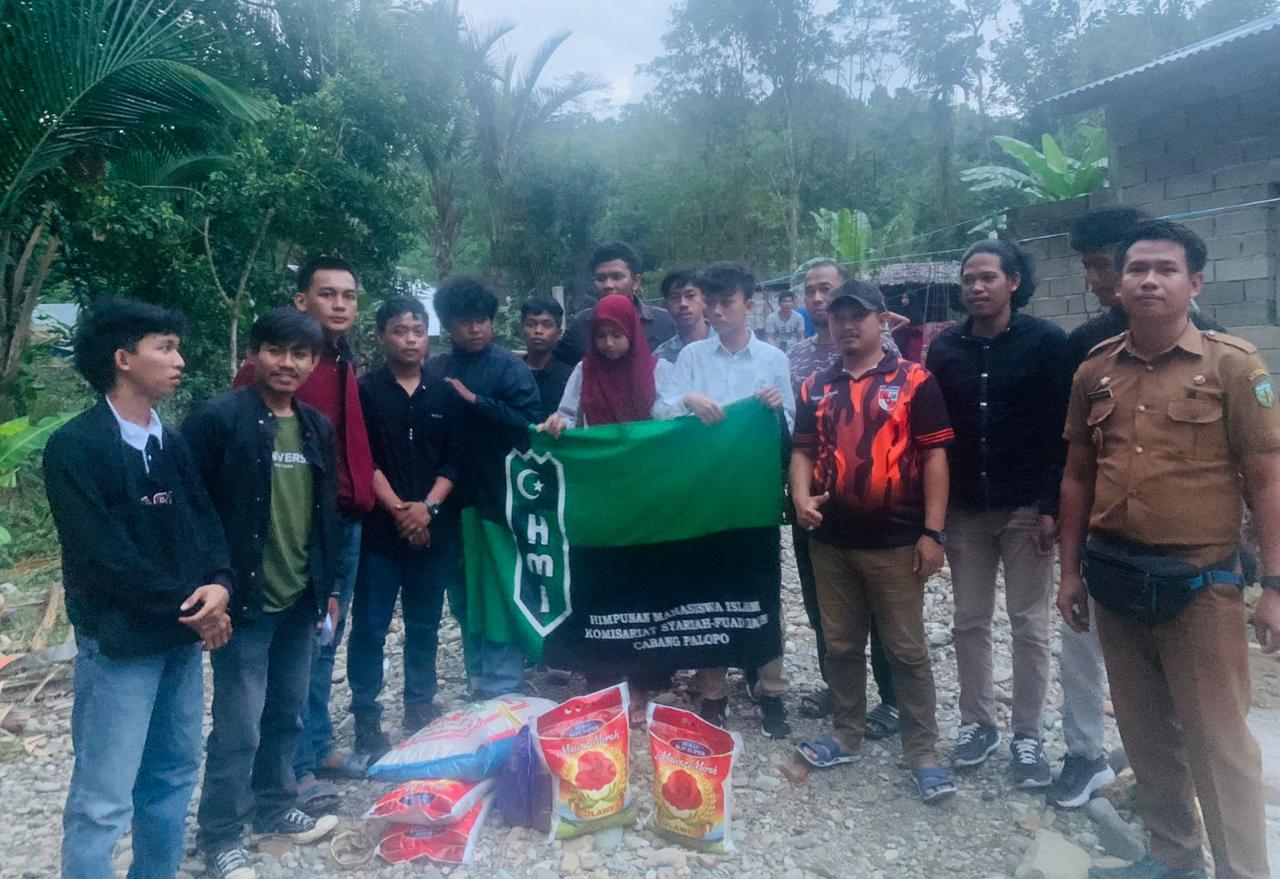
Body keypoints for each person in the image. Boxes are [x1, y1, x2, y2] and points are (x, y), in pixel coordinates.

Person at [1059, 220, 1280, 879]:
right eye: (1137, 269)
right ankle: (1173, 856)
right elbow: (1076, 476)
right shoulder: (1095, 371)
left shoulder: (1234, 365)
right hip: (1116, 578)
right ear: (1118, 283)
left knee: (1218, 742)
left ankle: (1242, 870)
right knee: (1144, 731)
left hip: (1200, 584)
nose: (1149, 280)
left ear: (1195, 282)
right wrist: (1069, 573)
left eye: (1165, 269)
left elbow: (1268, 478)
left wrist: (1275, 585)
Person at [46, 299, 233, 879]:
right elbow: (103, 557)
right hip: (121, 645)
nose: (179, 361)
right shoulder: (76, 447)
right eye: (165, 348)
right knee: (103, 799)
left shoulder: (169, 442)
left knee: (173, 774)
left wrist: (221, 584)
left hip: (179, 640)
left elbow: (204, 523)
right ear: (123, 359)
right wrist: (195, 609)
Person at [790, 279, 957, 803]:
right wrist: (800, 497)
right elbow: (802, 449)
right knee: (840, 644)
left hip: (896, 541)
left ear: (881, 320)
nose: (846, 325)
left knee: (905, 650)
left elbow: (935, 457)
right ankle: (846, 735)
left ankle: (923, 753)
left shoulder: (914, 381)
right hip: (831, 541)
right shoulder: (815, 386)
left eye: (857, 316)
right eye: (838, 316)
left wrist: (933, 533)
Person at [189, 308, 342, 879]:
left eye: (300, 354)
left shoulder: (315, 426)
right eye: (275, 350)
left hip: (299, 599)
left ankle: (275, 807)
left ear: (314, 362)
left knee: (286, 714)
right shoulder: (217, 420)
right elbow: (192, 509)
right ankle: (220, 835)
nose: (287, 363)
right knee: (238, 727)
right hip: (244, 602)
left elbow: (324, 514)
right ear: (253, 354)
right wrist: (211, 587)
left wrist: (328, 587)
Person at [925, 240, 1071, 788]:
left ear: (1014, 281)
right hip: (965, 510)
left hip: (1026, 509)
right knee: (969, 620)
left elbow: (1062, 432)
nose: (976, 287)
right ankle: (977, 723)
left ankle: (1028, 736)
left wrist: (1051, 506)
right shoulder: (945, 349)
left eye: (988, 277)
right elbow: (936, 437)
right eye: (968, 279)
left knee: (1030, 624)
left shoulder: (1047, 344)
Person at [234, 256, 375, 798]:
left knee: (325, 639)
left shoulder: (339, 358)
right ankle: (287, 771)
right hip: (297, 526)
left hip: (344, 523)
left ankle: (317, 748)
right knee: (294, 649)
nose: (339, 304)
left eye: (348, 295)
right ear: (301, 300)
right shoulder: (277, 365)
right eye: (327, 294)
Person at [658, 261, 794, 738]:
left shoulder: (773, 359)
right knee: (709, 590)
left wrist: (774, 410)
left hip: (754, 495)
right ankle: (713, 691)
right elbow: (661, 408)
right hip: (704, 495)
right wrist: (688, 400)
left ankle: (770, 688)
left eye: (726, 303)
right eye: (710, 303)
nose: (716, 311)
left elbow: (792, 423)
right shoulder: (692, 356)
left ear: (749, 305)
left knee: (762, 588)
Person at [788, 259, 901, 739]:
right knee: (822, 604)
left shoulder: (888, 356)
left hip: (878, 507)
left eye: (827, 289)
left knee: (881, 609)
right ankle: (838, 688)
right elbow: (796, 437)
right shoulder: (794, 358)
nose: (819, 299)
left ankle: (892, 699)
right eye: (811, 291)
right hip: (814, 503)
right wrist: (798, 495)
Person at [348, 297, 462, 758]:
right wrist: (400, 511)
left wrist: (427, 509)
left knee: (424, 622)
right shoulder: (364, 392)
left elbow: (456, 460)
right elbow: (363, 459)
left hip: (434, 530)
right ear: (381, 336)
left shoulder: (444, 393)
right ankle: (365, 716)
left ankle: (419, 704)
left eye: (418, 331)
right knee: (370, 626)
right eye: (399, 331)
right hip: (380, 532)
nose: (410, 340)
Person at [427, 274, 542, 698]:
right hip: (450, 500)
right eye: (464, 321)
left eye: (482, 320)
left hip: (499, 498)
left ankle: (503, 682)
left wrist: (477, 401)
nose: (475, 328)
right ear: (447, 325)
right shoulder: (435, 368)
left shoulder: (509, 367)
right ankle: (477, 677)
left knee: (497, 587)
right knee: (461, 591)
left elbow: (529, 425)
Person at [1065, 207, 1225, 369]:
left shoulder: (1211, 340)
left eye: (1103, 265)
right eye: (1087, 267)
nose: (1092, 278)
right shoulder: (1085, 341)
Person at [542, 293, 669, 434]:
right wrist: (559, 423)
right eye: (601, 335)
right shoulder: (585, 370)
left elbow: (670, 415)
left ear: (631, 334)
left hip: (647, 446)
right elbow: (568, 416)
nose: (608, 343)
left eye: (617, 335)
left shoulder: (657, 370)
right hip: (600, 447)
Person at [554, 241, 676, 363]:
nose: (608, 285)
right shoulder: (582, 325)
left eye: (617, 277)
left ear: (636, 281)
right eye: (601, 279)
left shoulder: (663, 322)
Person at [521, 297, 575, 421]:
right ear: (521, 330)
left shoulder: (570, 378)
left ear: (559, 333)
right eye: (531, 324)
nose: (538, 331)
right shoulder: (509, 374)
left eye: (547, 325)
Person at [653, 268, 716, 363]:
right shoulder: (662, 357)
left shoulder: (728, 341)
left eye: (690, 296)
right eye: (675, 297)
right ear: (666, 305)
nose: (683, 304)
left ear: (704, 299)